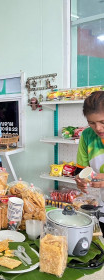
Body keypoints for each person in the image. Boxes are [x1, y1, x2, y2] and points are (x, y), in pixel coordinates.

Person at [74, 91, 104, 235]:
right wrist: (80, 179)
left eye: (103, 122)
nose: (98, 128)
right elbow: (81, 170)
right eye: (91, 122)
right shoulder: (87, 136)